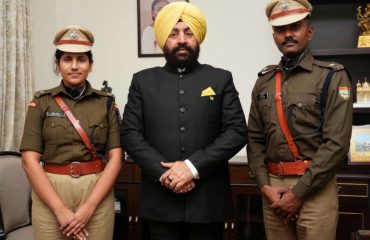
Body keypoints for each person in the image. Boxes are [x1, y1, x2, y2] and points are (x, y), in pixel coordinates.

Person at [120, 2, 248, 240]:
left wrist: (191, 167)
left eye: (189, 33)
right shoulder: (143, 81)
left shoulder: (220, 78)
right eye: (173, 33)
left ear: (197, 38)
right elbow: (129, 134)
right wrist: (167, 174)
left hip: (208, 202)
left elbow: (237, 131)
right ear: (161, 40)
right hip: (160, 202)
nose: (181, 40)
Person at [247, 0, 353, 240]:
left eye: (295, 26)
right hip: (273, 189)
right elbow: (254, 139)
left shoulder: (331, 76)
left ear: (310, 31)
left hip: (315, 187)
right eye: (280, 29)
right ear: (274, 35)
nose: (287, 35)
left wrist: (298, 193)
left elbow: (336, 144)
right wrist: (265, 187)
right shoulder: (263, 81)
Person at [20, 25, 122, 240]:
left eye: (81, 59)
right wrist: (59, 210)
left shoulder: (106, 103)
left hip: (96, 192)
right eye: (67, 59)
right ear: (58, 65)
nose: (74, 66)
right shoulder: (41, 103)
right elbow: (29, 160)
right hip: (50, 193)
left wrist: (89, 207)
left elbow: (115, 158)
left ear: (91, 65)